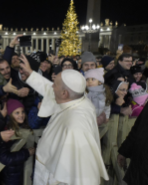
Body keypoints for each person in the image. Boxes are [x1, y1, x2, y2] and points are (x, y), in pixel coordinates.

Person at [19, 55, 109, 185]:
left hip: (56, 178)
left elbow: (83, 174)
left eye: (54, 84)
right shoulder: (77, 99)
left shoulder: (77, 125)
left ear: (64, 93)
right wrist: (31, 74)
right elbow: (49, 89)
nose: (52, 87)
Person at [0, 99, 35, 185]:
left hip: (19, 170)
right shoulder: (7, 132)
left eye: (22, 112)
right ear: (10, 115)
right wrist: (26, 153)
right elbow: (4, 157)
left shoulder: (22, 126)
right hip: (12, 174)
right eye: (17, 113)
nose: (21, 115)